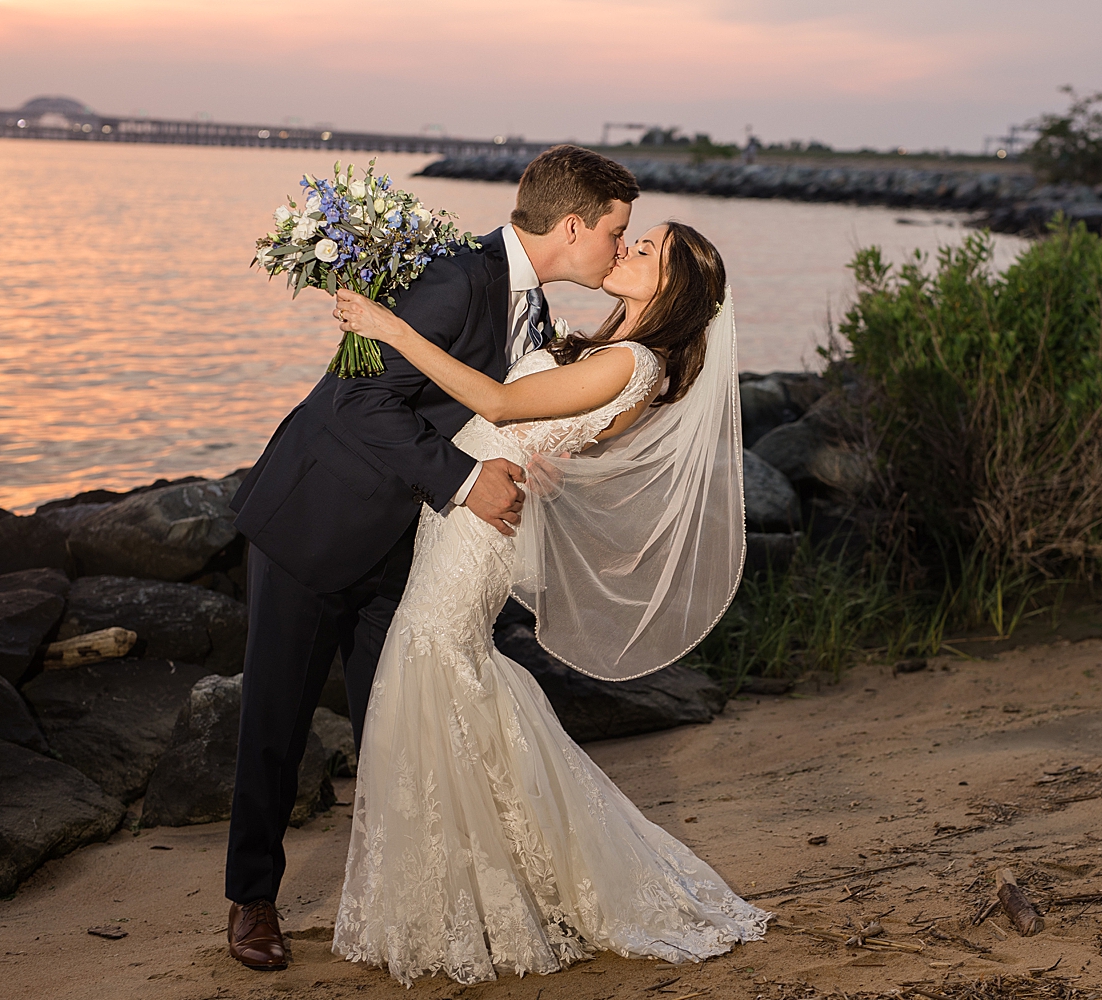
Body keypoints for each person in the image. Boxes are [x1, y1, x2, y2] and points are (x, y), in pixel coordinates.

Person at [224, 145, 639, 971]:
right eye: (617, 232)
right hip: (319, 516)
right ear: (572, 226)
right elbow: (360, 399)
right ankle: (252, 901)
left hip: (406, 545)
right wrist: (464, 482)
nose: (620, 250)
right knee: (277, 719)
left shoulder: (535, 312)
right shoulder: (459, 277)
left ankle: (409, 897)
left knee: (404, 724)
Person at [328, 221, 766, 985]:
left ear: (675, 290)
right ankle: (484, 874)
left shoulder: (633, 361)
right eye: (634, 236)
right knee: (443, 666)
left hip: (478, 527)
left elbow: (499, 405)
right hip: (469, 509)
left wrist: (387, 325)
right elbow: (546, 429)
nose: (628, 249)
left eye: (647, 249)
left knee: (434, 658)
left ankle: (477, 886)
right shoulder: (604, 347)